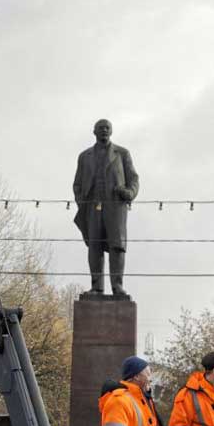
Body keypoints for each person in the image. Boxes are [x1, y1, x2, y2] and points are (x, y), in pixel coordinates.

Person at [72, 118, 139, 297]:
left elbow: (133, 179)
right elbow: (77, 184)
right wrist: (82, 201)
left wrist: (129, 193)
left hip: (115, 208)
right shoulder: (84, 156)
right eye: (100, 128)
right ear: (94, 131)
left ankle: (117, 287)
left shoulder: (122, 153)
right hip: (92, 207)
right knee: (95, 246)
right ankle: (97, 287)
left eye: (107, 128)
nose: (104, 130)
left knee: (117, 247)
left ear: (111, 131)